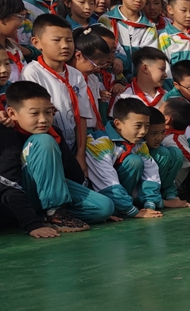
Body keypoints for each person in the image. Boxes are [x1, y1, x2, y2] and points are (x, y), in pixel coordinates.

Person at [1, 80, 114, 231]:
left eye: (48, 112)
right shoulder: (6, 134)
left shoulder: (53, 132)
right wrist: (32, 225)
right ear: (12, 113)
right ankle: (54, 213)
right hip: (16, 199)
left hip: (45, 198)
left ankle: (51, 215)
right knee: (43, 141)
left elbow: (72, 174)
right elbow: (8, 184)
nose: (43, 119)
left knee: (104, 207)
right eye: (34, 113)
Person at [23, 14, 94, 169]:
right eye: (57, 40)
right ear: (36, 42)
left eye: (69, 40)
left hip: (73, 146)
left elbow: (81, 116)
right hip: (48, 146)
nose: (65, 46)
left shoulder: (76, 75)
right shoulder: (32, 72)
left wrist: (80, 154)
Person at [84, 97, 164, 218]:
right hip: (95, 193)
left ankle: (122, 207)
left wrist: (150, 204)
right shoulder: (98, 142)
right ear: (118, 124)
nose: (143, 131)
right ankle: (121, 207)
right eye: (138, 126)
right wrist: (132, 211)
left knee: (135, 161)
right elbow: (107, 181)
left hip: (120, 197)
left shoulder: (138, 142)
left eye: (147, 126)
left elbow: (151, 171)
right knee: (134, 161)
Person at [101, 0, 158, 79]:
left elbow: (150, 57)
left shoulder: (149, 26)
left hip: (140, 81)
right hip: (112, 78)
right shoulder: (106, 20)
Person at [143, 105, 190, 208]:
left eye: (162, 132)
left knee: (176, 153)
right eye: (154, 133)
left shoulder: (160, 146)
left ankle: (168, 195)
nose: (159, 137)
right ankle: (152, 199)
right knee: (162, 153)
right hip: (142, 194)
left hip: (158, 193)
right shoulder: (137, 150)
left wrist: (171, 196)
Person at [119, 46, 168, 112]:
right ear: (145, 69)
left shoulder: (168, 97)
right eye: (162, 69)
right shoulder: (123, 96)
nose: (166, 75)